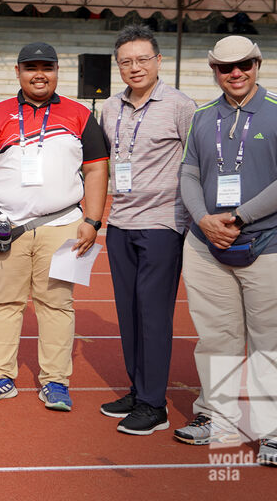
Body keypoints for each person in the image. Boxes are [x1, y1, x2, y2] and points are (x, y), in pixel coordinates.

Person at [173, 35, 277, 468]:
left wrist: (239, 218)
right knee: (216, 338)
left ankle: (276, 432)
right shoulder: (202, 116)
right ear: (214, 71)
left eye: (245, 65)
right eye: (225, 67)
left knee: (272, 339)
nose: (235, 73)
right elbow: (189, 174)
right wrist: (203, 219)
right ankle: (217, 417)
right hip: (206, 245)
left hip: (269, 243)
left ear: (258, 64)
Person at [0, 42, 108, 412]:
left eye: (47, 67)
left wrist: (92, 220)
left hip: (63, 225)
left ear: (58, 71)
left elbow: (96, 169)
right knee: (4, 302)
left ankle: (56, 381)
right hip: (6, 227)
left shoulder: (80, 115)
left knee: (57, 305)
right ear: (18, 72)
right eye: (31, 67)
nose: (39, 74)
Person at [98, 25, 196, 435]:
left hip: (162, 224)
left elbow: (198, 163)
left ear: (158, 61)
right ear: (118, 66)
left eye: (142, 59)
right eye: (126, 61)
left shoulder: (180, 106)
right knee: (129, 314)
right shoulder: (110, 107)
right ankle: (139, 390)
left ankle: (155, 405)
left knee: (153, 316)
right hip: (120, 223)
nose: (135, 67)